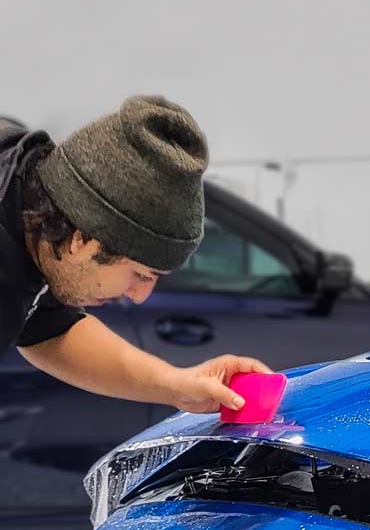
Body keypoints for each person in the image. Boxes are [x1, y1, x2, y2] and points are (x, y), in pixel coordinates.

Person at [0, 94, 268, 412]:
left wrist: (177, 386)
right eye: (139, 273)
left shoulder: (29, 201)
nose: (139, 295)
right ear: (82, 238)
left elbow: (49, 330)